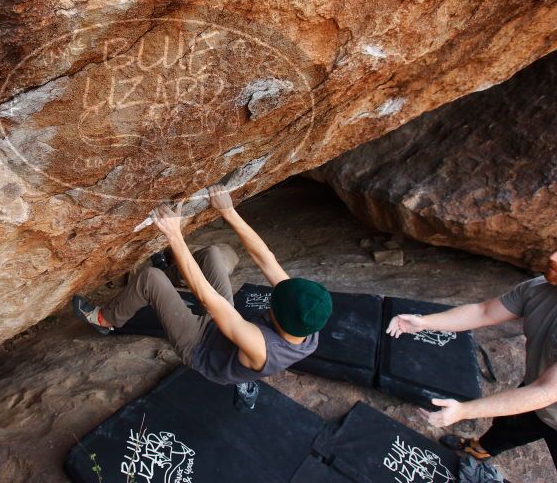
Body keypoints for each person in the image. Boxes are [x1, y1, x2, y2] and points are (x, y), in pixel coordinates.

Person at [72, 184, 332, 410]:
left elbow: (210, 300)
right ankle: (170, 275)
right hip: (229, 330)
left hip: (201, 346)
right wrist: (228, 211)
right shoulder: (308, 318)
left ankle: (105, 320)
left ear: (279, 316)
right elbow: (266, 260)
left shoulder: (265, 349)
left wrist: (174, 234)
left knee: (151, 279)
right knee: (211, 255)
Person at [386, 249, 557, 467]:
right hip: (533, 394)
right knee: (509, 425)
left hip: (545, 399)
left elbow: (546, 391)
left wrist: (464, 411)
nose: (553, 257)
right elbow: (484, 311)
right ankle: (480, 449)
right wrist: (424, 323)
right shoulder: (539, 288)